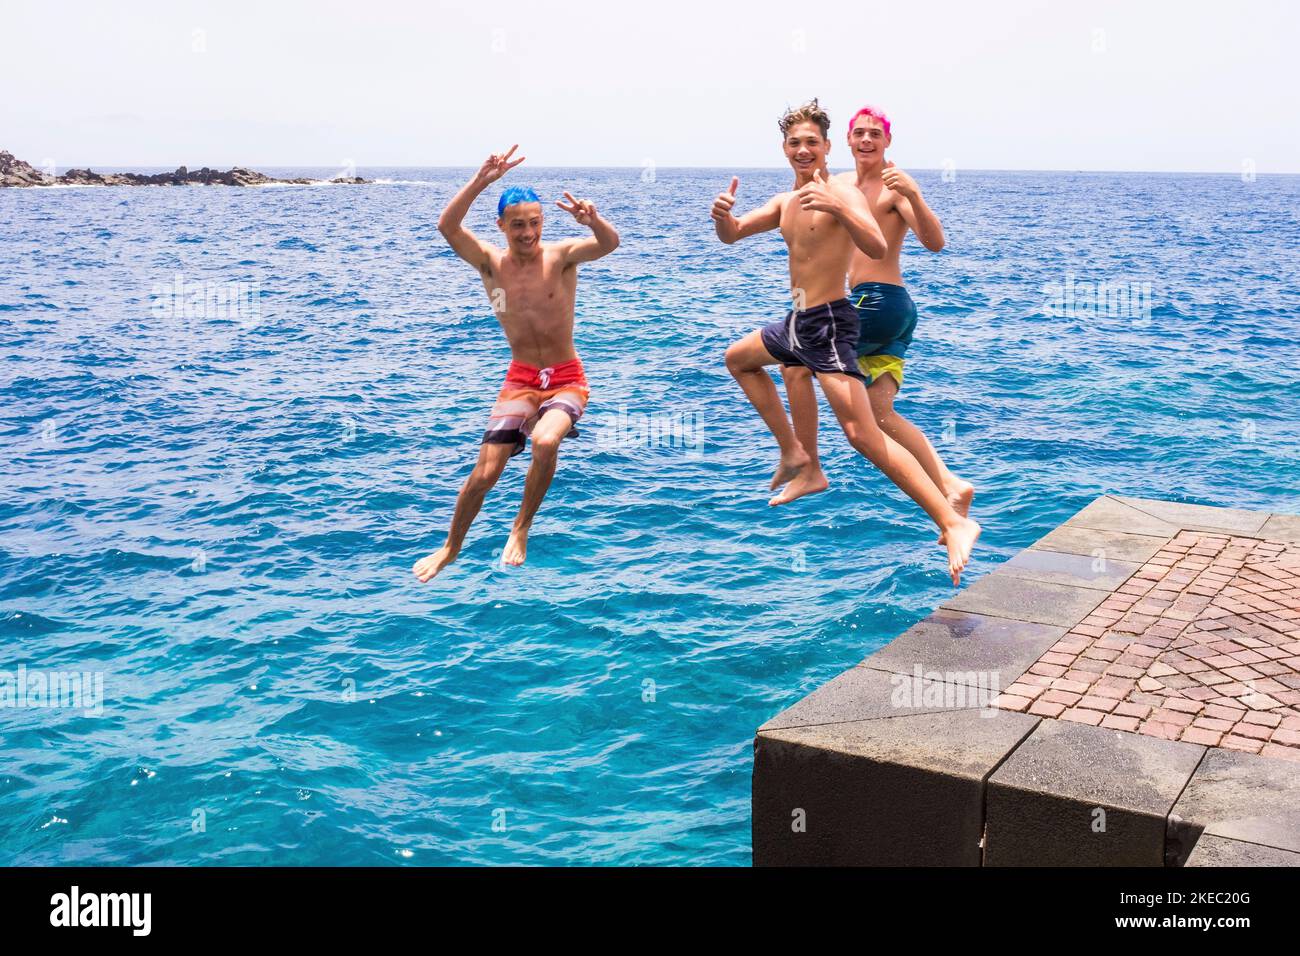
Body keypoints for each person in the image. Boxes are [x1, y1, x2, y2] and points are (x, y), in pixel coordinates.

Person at [714, 101, 979, 584]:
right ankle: (801, 460)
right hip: (798, 322)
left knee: (863, 435)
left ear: (827, 148)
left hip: (831, 324)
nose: (803, 150)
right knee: (740, 359)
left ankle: (952, 520)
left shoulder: (843, 192)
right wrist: (722, 216)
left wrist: (840, 206)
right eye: (795, 142)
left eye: (812, 142)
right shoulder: (784, 202)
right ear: (784, 149)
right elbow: (732, 236)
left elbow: (876, 246)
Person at [413, 145, 619, 582]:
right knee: (485, 473)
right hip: (520, 378)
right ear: (502, 226)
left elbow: (609, 244)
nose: (528, 233)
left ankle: (520, 528)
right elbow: (447, 227)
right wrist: (481, 180)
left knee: (545, 443)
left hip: (567, 378)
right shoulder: (490, 263)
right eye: (518, 225)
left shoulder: (561, 257)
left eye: (535, 223)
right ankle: (451, 547)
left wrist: (593, 220)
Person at [780, 104, 974, 518]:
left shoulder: (892, 188)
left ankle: (807, 463)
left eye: (876, 134)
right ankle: (951, 485)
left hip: (878, 299)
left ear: (887, 141)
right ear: (846, 141)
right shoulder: (842, 184)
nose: (867, 140)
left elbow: (934, 241)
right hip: (896, 313)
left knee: (794, 358)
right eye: (860, 133)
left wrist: (914, 195)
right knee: (882, 414)